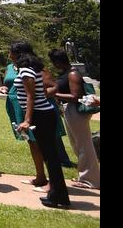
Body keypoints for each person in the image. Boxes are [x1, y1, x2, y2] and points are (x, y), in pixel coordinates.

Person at [1, 40, 69, 189]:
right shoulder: (18, 68)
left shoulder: (31, 69)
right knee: (34, 143)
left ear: (18, 54)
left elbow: (38, 92)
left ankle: (55, 185)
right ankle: (41, 177)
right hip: (24, 109)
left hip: (37, 111)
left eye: (11, 51)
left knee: (46, 148)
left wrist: (39, 98)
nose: (8, 54)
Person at [15, 50, 71, 209]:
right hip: (45, 114)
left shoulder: (26, 71)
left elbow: (31, 95)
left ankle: (57, 195)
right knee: (50, 156)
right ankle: (58, 194)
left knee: (50, 156)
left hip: (41, 115)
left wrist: (27, 120)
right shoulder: (34, 69)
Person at [48, 49, 100, 190]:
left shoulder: (72, 74)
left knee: (84, 145)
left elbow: (75, 96)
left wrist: (53, 94)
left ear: (58, 62)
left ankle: (91, 180)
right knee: (77, 145)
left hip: (75, 110)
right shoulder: (67, 73)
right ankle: (84, 177)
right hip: (69, 110)